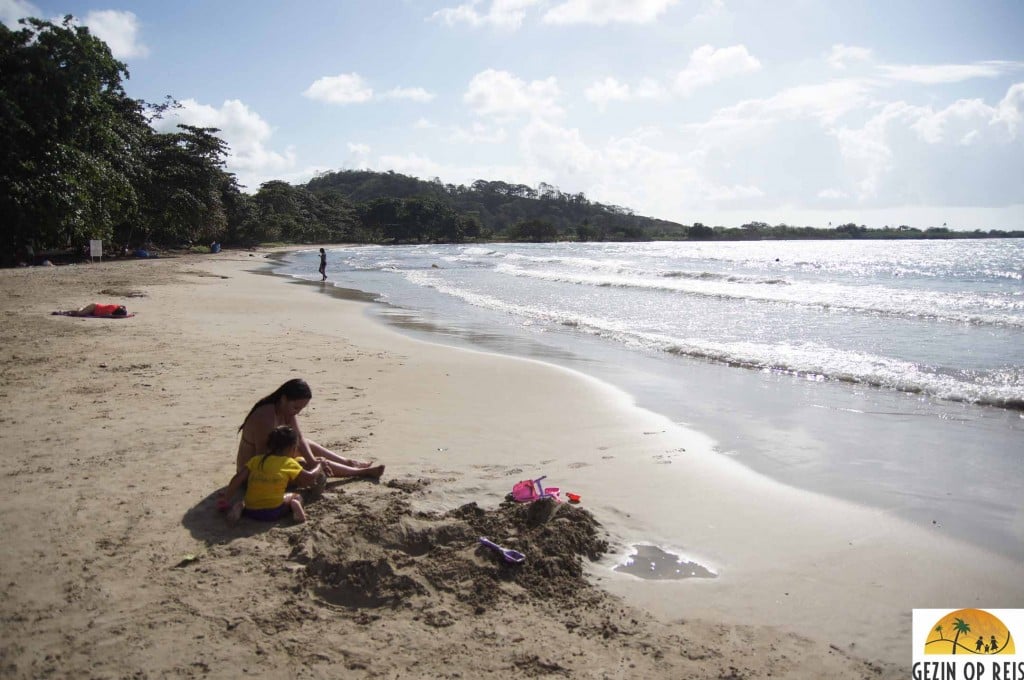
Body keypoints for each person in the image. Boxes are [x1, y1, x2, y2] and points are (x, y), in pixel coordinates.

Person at [235, 378, 384, 479]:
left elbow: (299, 439)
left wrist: (311, 460)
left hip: (271, 461)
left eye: (301, 408)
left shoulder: (285, 410)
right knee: (309, 463)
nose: (297, 412)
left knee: (308, 447)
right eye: (295, 407)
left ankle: (347, 462)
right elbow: (264, 456)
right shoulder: (265, 415)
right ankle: (360, 473)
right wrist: (305, 463)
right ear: (284, 398)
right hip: (253, 474)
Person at [223, 426, 320, 524]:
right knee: (296, 497)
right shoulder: (289, 462)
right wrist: (319, 466)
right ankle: (296, 508)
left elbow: (237, 479)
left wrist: (226, 499)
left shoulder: (256, 460)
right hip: (274, 511)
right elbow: (310, 478)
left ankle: (239, 507)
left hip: (251, 510)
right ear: (292, 447)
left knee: (242, 502)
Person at [52, 303, 128, 317]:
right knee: (79, 314)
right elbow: (107, 315)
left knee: (81, 313)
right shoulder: (113, 308)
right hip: (94, 307)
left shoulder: (117, 307)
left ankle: (82, 308)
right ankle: (61, 312)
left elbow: (123, 306)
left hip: (95, 309)